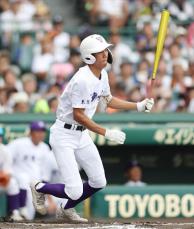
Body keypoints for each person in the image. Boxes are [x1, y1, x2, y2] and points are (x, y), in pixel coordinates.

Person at [30, 34, 154, 223]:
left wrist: (138, 105)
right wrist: (107, 132)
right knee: (74, 190)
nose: (105, 54)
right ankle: (39, 187)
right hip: (64, 134)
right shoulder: (82, 80)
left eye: (105, 50)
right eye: (100, 52)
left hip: (81, 135)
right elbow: (79, 115)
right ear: (89, 57)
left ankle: (66, 208)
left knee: (98, 182)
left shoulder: (102, 74)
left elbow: (108, 100)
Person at [7, 121, 58, 220]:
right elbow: (6, 155)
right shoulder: (19, 143)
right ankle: (20, 212)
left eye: (42, 131)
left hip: (37, 184)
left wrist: (49, 198)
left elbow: (45, 174)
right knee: (23, 180)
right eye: (37, 131)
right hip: (19, 178)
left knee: (53, 205)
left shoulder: (45, 147)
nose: (41, 134)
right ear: (30, 132)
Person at [0, 127, 23, 221]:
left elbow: (7, 174)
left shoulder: (5, 150)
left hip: (1, 182)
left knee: (12, 183)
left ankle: (15, 213)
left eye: (0, 136)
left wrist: (4, 176)